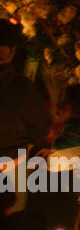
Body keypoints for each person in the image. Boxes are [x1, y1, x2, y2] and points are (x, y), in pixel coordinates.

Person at [0, 19, 49, 158]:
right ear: (12, 50)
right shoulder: (22, 87)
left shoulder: (22, 86)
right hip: (14, 155)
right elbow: (40, 128)